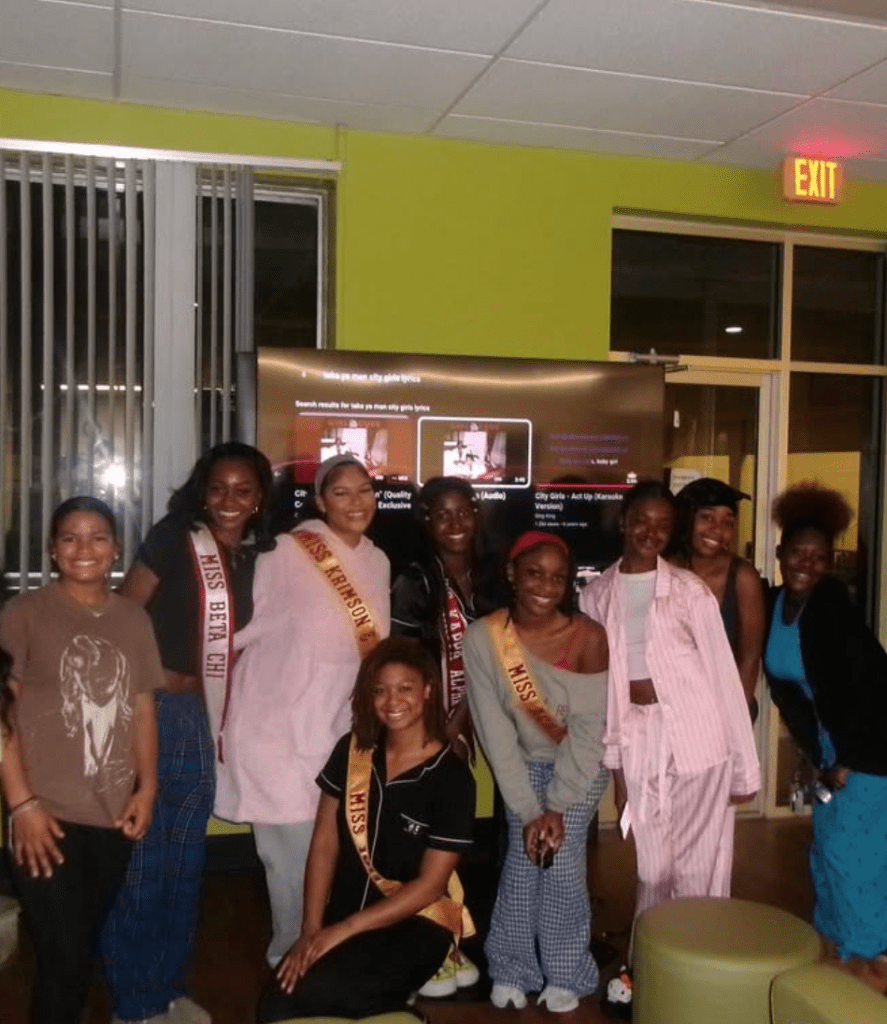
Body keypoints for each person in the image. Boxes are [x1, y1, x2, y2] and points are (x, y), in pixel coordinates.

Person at [102, 442, 275, 1024]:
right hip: (150, 712)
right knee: (147, 857)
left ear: (259, 500)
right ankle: (133, 998)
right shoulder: (174, 537)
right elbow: (123, 614)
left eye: (243, 490)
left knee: (185, 858)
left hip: (203, 719)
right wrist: (151, 685)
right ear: (202, 491)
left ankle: (166, 986)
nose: (229, 500)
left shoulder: (254, 558)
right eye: (218, 488)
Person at [580, 482, 759, 1015]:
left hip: (699, 734)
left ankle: (698, 971)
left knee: (701, 866)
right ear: (624, 521)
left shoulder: (687, 591)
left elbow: (726, 678)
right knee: (653, 869)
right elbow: (601, 686)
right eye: (642, 520)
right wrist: (614, 766)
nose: (650, 532)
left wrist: (742, 767)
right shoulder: (596, 595)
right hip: (637, 738)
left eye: (662, 524)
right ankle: (650, 966)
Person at [215, 454, 391, 970]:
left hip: (338, 733)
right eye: (341, 492)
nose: (356, 502)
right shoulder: (285, 553)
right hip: (276, 733)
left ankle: (326, 956)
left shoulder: (378, 561)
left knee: (337, 858)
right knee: (289, 864)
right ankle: (290, 962)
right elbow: (232, 630)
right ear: (319, 502)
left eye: (365, 490)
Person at [0, 497, 160, 1024]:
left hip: (112, 814)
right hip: (45, 817)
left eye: (97, 537)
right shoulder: (23, 615)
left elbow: (141, 708)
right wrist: (22, 805)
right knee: (64, 957)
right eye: (70, 537)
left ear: (116, 548)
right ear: (52, 549)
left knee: (80, 950)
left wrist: (147, 787)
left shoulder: (134, 619)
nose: (84, 548)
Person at [257, 636, 475, 1021]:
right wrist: (310, 929)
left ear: (427, 691)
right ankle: (389, 1006)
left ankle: (401, 1012)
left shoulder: (452, 778)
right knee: (277, 1003)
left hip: (415, 926)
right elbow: (324, 844)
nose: (392, 702)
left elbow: (431, 886)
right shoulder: (352, 751)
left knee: (314, 997)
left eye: (405, 688)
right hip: (344, 916)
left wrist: (340, 931)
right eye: (381, 691)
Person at [464, 531, 609, 1013]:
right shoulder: (484, 637)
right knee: (524, 861)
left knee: (561, 862)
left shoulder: (589, 637)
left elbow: (590, 733)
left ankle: (568, 972)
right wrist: (529, 810)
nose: (546, 586)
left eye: (558, 577)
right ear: (511, 574)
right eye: (534, 573)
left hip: (578, 767)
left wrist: (558, 806)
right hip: (521, 766)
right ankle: (512, 968)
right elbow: (494, 732)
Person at [763, 482, 887, 964]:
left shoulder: (832, 609)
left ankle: (869, 953)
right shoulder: (777, 605)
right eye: (798, 553)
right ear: (780, 552)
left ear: (830, 562)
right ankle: (838, 943)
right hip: (834, 749)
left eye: (818, 557)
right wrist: (820, 754)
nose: (806, 565)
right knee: (826, 852)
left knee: (850, 853)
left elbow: (871, 691)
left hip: (870, 751)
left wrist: (848, 762)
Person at [390, 476, 492, 995]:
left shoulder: (490, 574)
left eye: (463, 511)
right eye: (441, 514)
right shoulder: (414, 579)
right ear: (425, 522)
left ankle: (454, 942)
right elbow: (405, 664)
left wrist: (467, 720)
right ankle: (423, 953)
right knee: (425, 842)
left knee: (459, 836)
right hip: (427, 727)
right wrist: (443, 727)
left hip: (480, 719)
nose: (455, 524)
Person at [673, 477, 765, 719]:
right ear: (686, 518)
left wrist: (732, 720)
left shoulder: (743, 577)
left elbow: (749, 659)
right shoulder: (666, 570)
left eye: (728, 522)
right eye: (707, 518)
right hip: (671, 708)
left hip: (726, 708)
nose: (718, 530)